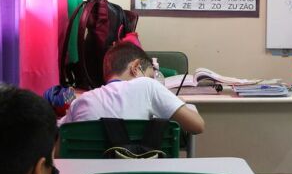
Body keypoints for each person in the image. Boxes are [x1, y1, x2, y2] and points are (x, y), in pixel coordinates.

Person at [60, 42, 205, 134]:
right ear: (136, 67)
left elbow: (59, 146)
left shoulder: (80, 101)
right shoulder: (147, 85)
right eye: (149, 75)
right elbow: (197, 126)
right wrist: (178, 102)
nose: (150, 80)